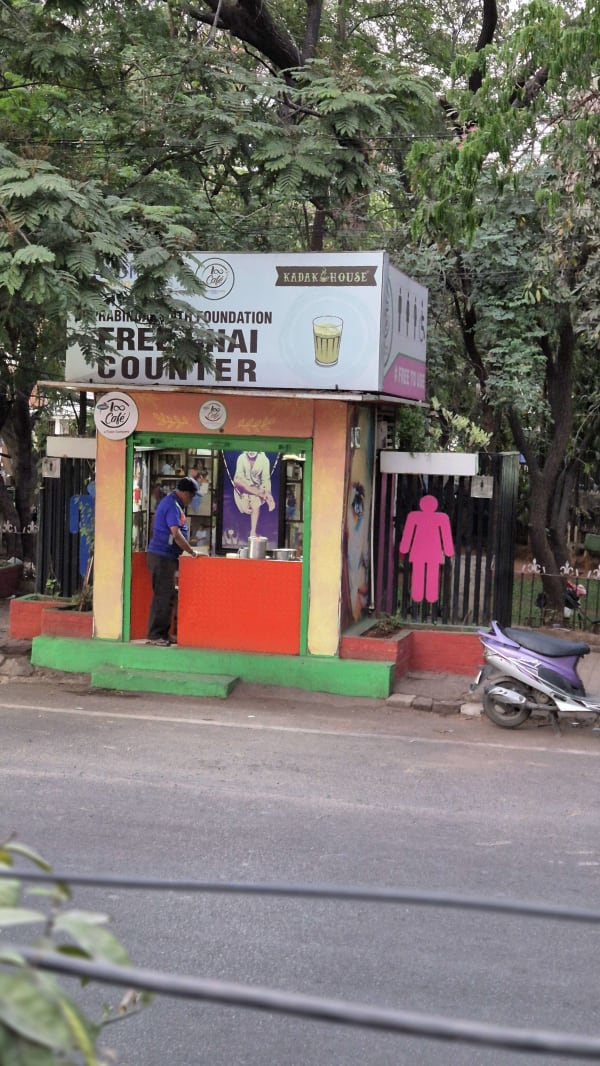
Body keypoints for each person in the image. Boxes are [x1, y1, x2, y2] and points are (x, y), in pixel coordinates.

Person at [146, 476, 200, 646]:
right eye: (190, 496)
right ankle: (155, 636)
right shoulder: (172, 505)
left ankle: (163, 633)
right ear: (183, 493)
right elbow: (175, 534)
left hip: (167, 557)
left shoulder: (174, 503)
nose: (190, 500)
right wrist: (191, 552)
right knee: (162, 596)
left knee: (168, 595)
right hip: (161, 556)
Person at [233, 451, 275, 537]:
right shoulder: (241, 458)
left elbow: (266, 480)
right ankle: (262, 495)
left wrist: (267, 493)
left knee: (256, 501)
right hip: (242, 490)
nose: (251, 451)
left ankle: (253, 532)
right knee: (237, 481)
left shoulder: (264, 460)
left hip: (256, 491)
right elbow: (238, 479)